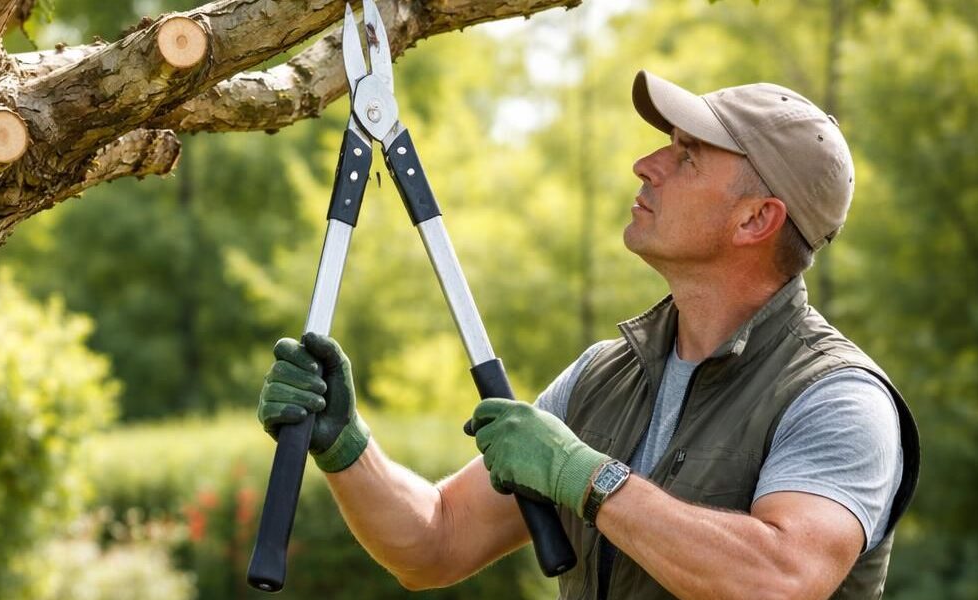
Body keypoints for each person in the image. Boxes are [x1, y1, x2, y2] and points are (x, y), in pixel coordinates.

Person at [257, 70, 919, 599]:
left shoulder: (837, 399)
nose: (646, 164)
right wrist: (346, 446)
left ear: (756, 220)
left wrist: (587, 479)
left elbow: (780, 581)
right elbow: (436, 541)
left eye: (687, 156)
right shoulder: (602, 378)